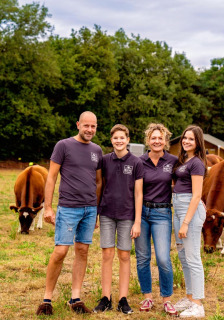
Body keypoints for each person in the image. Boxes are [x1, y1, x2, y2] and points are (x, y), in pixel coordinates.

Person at [36, 111, 103, 316]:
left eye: (93, 126)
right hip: (68, 208)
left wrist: (97, 211)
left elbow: (99, 181)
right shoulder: (63, 146)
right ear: (78, 125)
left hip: (89, 209)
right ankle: (47, 299)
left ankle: (75, 298)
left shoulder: (97, 150)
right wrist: (48, 207)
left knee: (82, 250)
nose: (89, 129)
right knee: (61, 251)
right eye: (86, 126)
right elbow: (52, 177)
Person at [93, 124, 144, 314]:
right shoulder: (104, 160)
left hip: (127, 215)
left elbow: (139, 194)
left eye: (122, 137)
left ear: (128, 140)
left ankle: (123, 299)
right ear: (111, 140)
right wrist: (96, 214)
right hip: (107, 213)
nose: (119, 141)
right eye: (116, 138)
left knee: (124, 255)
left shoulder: (136, 162)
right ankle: (106, 298)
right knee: (107, 255)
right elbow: (99, 186)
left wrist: (137, 221)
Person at [135, 123, 178, 316]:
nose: (157, 141)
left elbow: (182, 185)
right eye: (153, 138)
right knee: (143, 258)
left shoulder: (173, 161)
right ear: (148, 140)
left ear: (166, 141)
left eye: (160, 138)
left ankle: (167, 299)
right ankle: (147, 297)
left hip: (162, 214)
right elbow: (134, 190)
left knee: (163, 257)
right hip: (142, 213)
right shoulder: (139, 161)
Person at [171, 125, 207, 318]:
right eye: (185, 138)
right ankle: (189, 296)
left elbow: (197, 195)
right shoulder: (184, 160)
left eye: (191, 139)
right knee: (184, 257)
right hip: (178, 208)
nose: (186, 141)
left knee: (193, 258)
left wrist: (185, 222)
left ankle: (198, 305)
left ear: (197, 142)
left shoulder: (197, 163)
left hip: (189, 212)